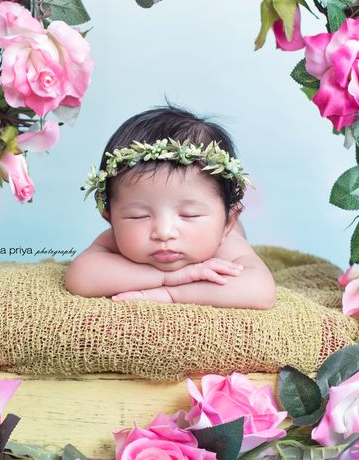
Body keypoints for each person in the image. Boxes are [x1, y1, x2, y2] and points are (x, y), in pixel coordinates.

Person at [64, 105, 277, 309]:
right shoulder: (115, 240)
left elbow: (261, 291)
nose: (163, 232)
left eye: (189, 215)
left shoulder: (226, 242)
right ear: (110, 218)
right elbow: (80, 278)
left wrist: (171, 294)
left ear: (227, 222)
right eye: (138, 216)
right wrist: (168, 277)